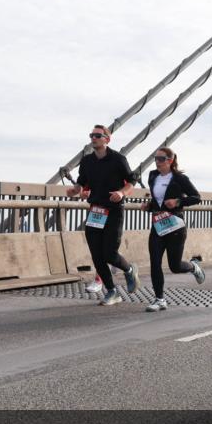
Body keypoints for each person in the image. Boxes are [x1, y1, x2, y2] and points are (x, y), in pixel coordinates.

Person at [66, 124, 141, 306]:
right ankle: (112, 291)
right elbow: (82, 182)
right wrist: (75, 191)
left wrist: (122, 193)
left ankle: (130, 269)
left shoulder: (118, 159)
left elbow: (132, 180)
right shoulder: (87, 161)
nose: (93, 138)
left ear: (107, 139)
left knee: (109, 253)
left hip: (114, 211)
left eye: (98, 135)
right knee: (96, 255)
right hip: (95, 211)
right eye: (91, 135)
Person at [140, 147, 206, 311]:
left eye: (161, 159)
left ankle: (193, 267)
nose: (157, 162)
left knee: (174, 266)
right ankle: (159, 299)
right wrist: (148, 206)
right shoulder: (152, 176)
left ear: (170, 160)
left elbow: (196, 197)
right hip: (158, 225)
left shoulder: (180, 178)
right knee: (155, 262)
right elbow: (158, 201)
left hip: (175, 226)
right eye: (156, 158)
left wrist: (177, 202)